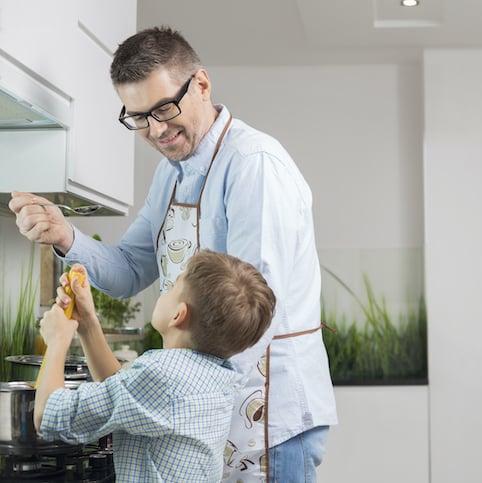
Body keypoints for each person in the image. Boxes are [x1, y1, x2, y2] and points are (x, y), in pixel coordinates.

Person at [10, 25, 337, 482]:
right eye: (138, 116)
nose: (156, 129)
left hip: (267, 416)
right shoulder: (173, 174)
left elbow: (257, 312)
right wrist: (65, 235)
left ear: (201, 84)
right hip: (207, 413)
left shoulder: (253, 165)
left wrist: (174, 396)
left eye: (164, 108)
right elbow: (128, 269)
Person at [35, 249, 276, 482]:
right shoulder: (215, 374)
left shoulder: (161, 375)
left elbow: (50, 415)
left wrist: (58, 341)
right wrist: (87, 323)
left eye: (172, 288)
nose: (165, 291)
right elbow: (124, 391)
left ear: (178, 315)